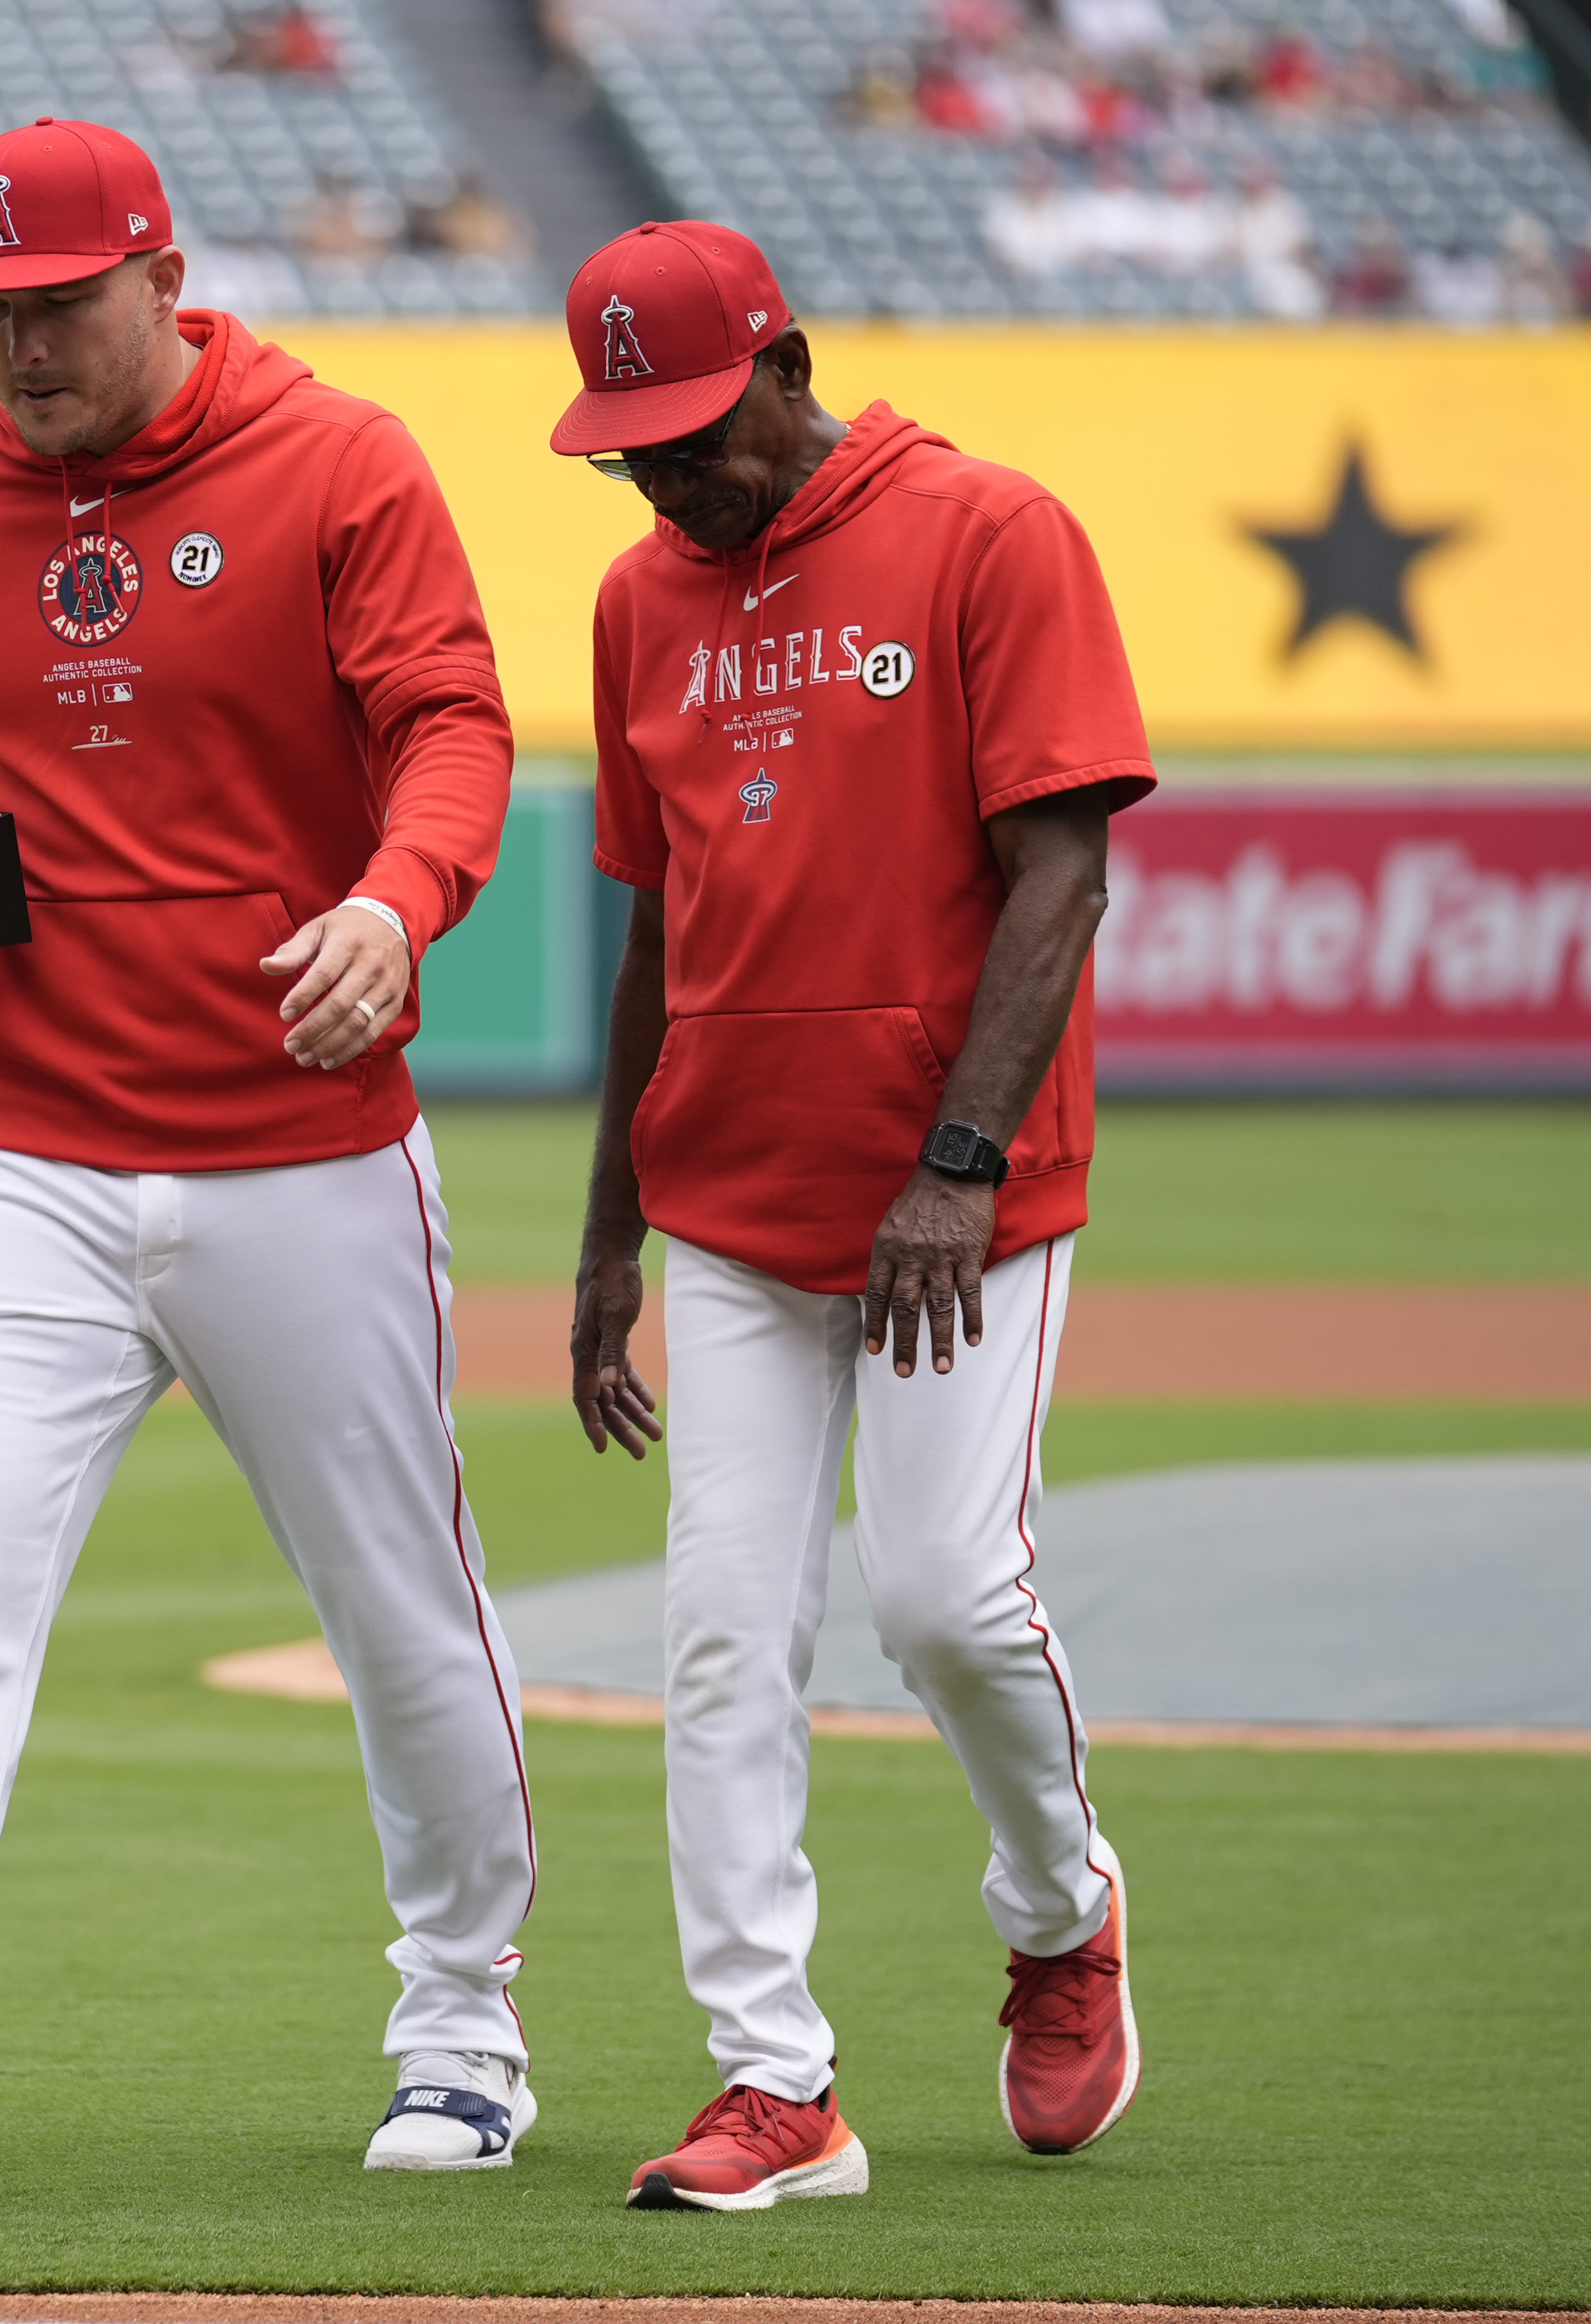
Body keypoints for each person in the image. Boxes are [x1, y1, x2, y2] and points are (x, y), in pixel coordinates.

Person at [0, 116, 536, 2203]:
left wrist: (395, 903)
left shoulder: (339, 462)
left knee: (400, 1611)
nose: (20, 347)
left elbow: (454, 721)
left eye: (56, 302)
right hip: (27, 1147)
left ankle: (463, 2017)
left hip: (296, 1145)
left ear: (161, 273)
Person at [549, 222, 1155, 2211]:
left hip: (951, 1195)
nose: (663, 480)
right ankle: (772, 2083)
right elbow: (656, 932)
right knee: (721, 1636)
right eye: (627, 452)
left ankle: (1061, 1910)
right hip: (728, 1188)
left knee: (942, 1599)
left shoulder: (992, 533)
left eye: (691, 435)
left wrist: (955, 1166)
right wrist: (605, 1231)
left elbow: (1056, 876)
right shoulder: (642, 600)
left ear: (788, 363)